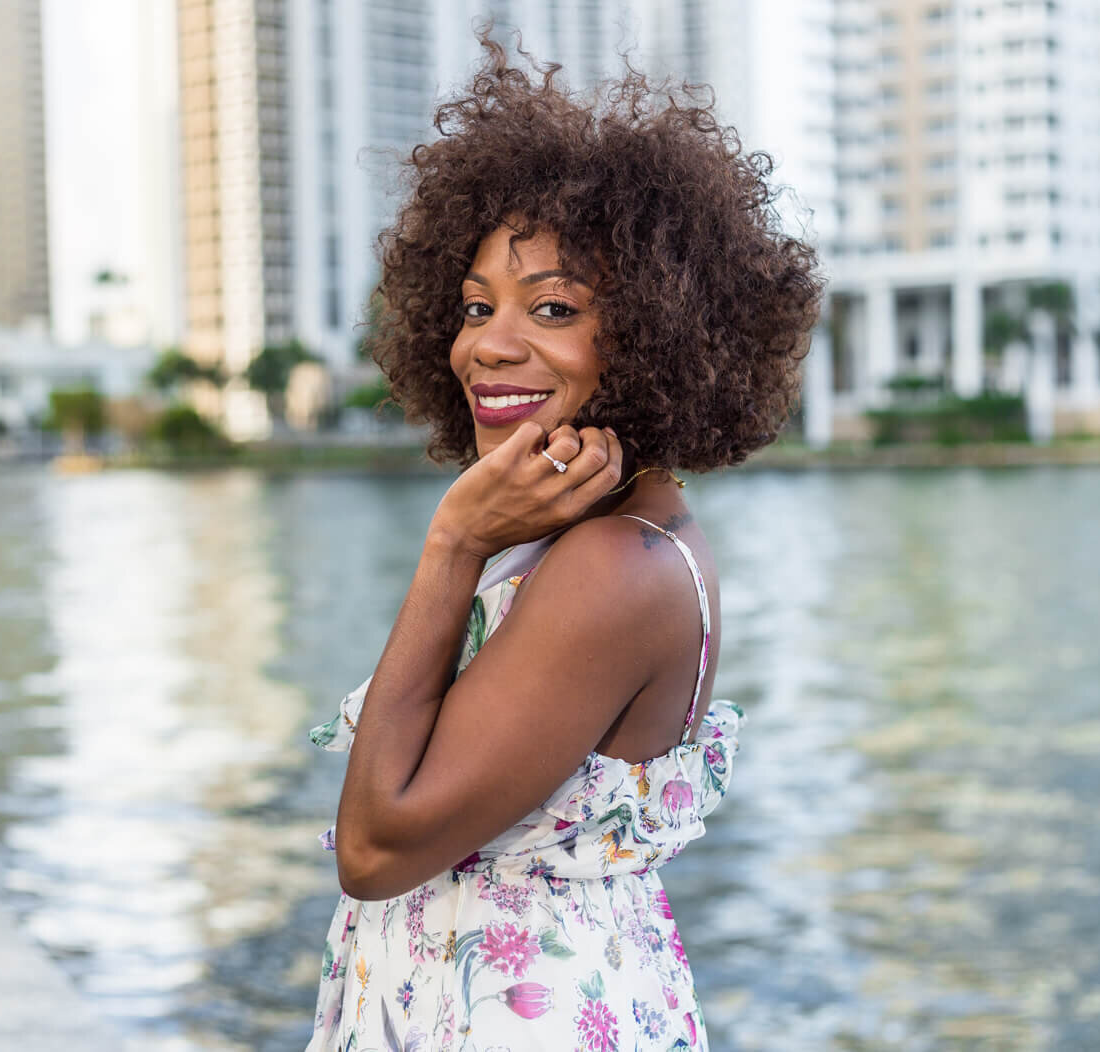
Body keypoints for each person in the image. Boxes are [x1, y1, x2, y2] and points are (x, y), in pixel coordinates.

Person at [304, 38, 821, 1052]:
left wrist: (452, 540)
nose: (487, 343)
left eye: (552, 308)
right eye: (473, 304)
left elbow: (374, 844)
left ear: (658, 329)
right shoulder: (602, 529)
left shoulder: (614, 565)